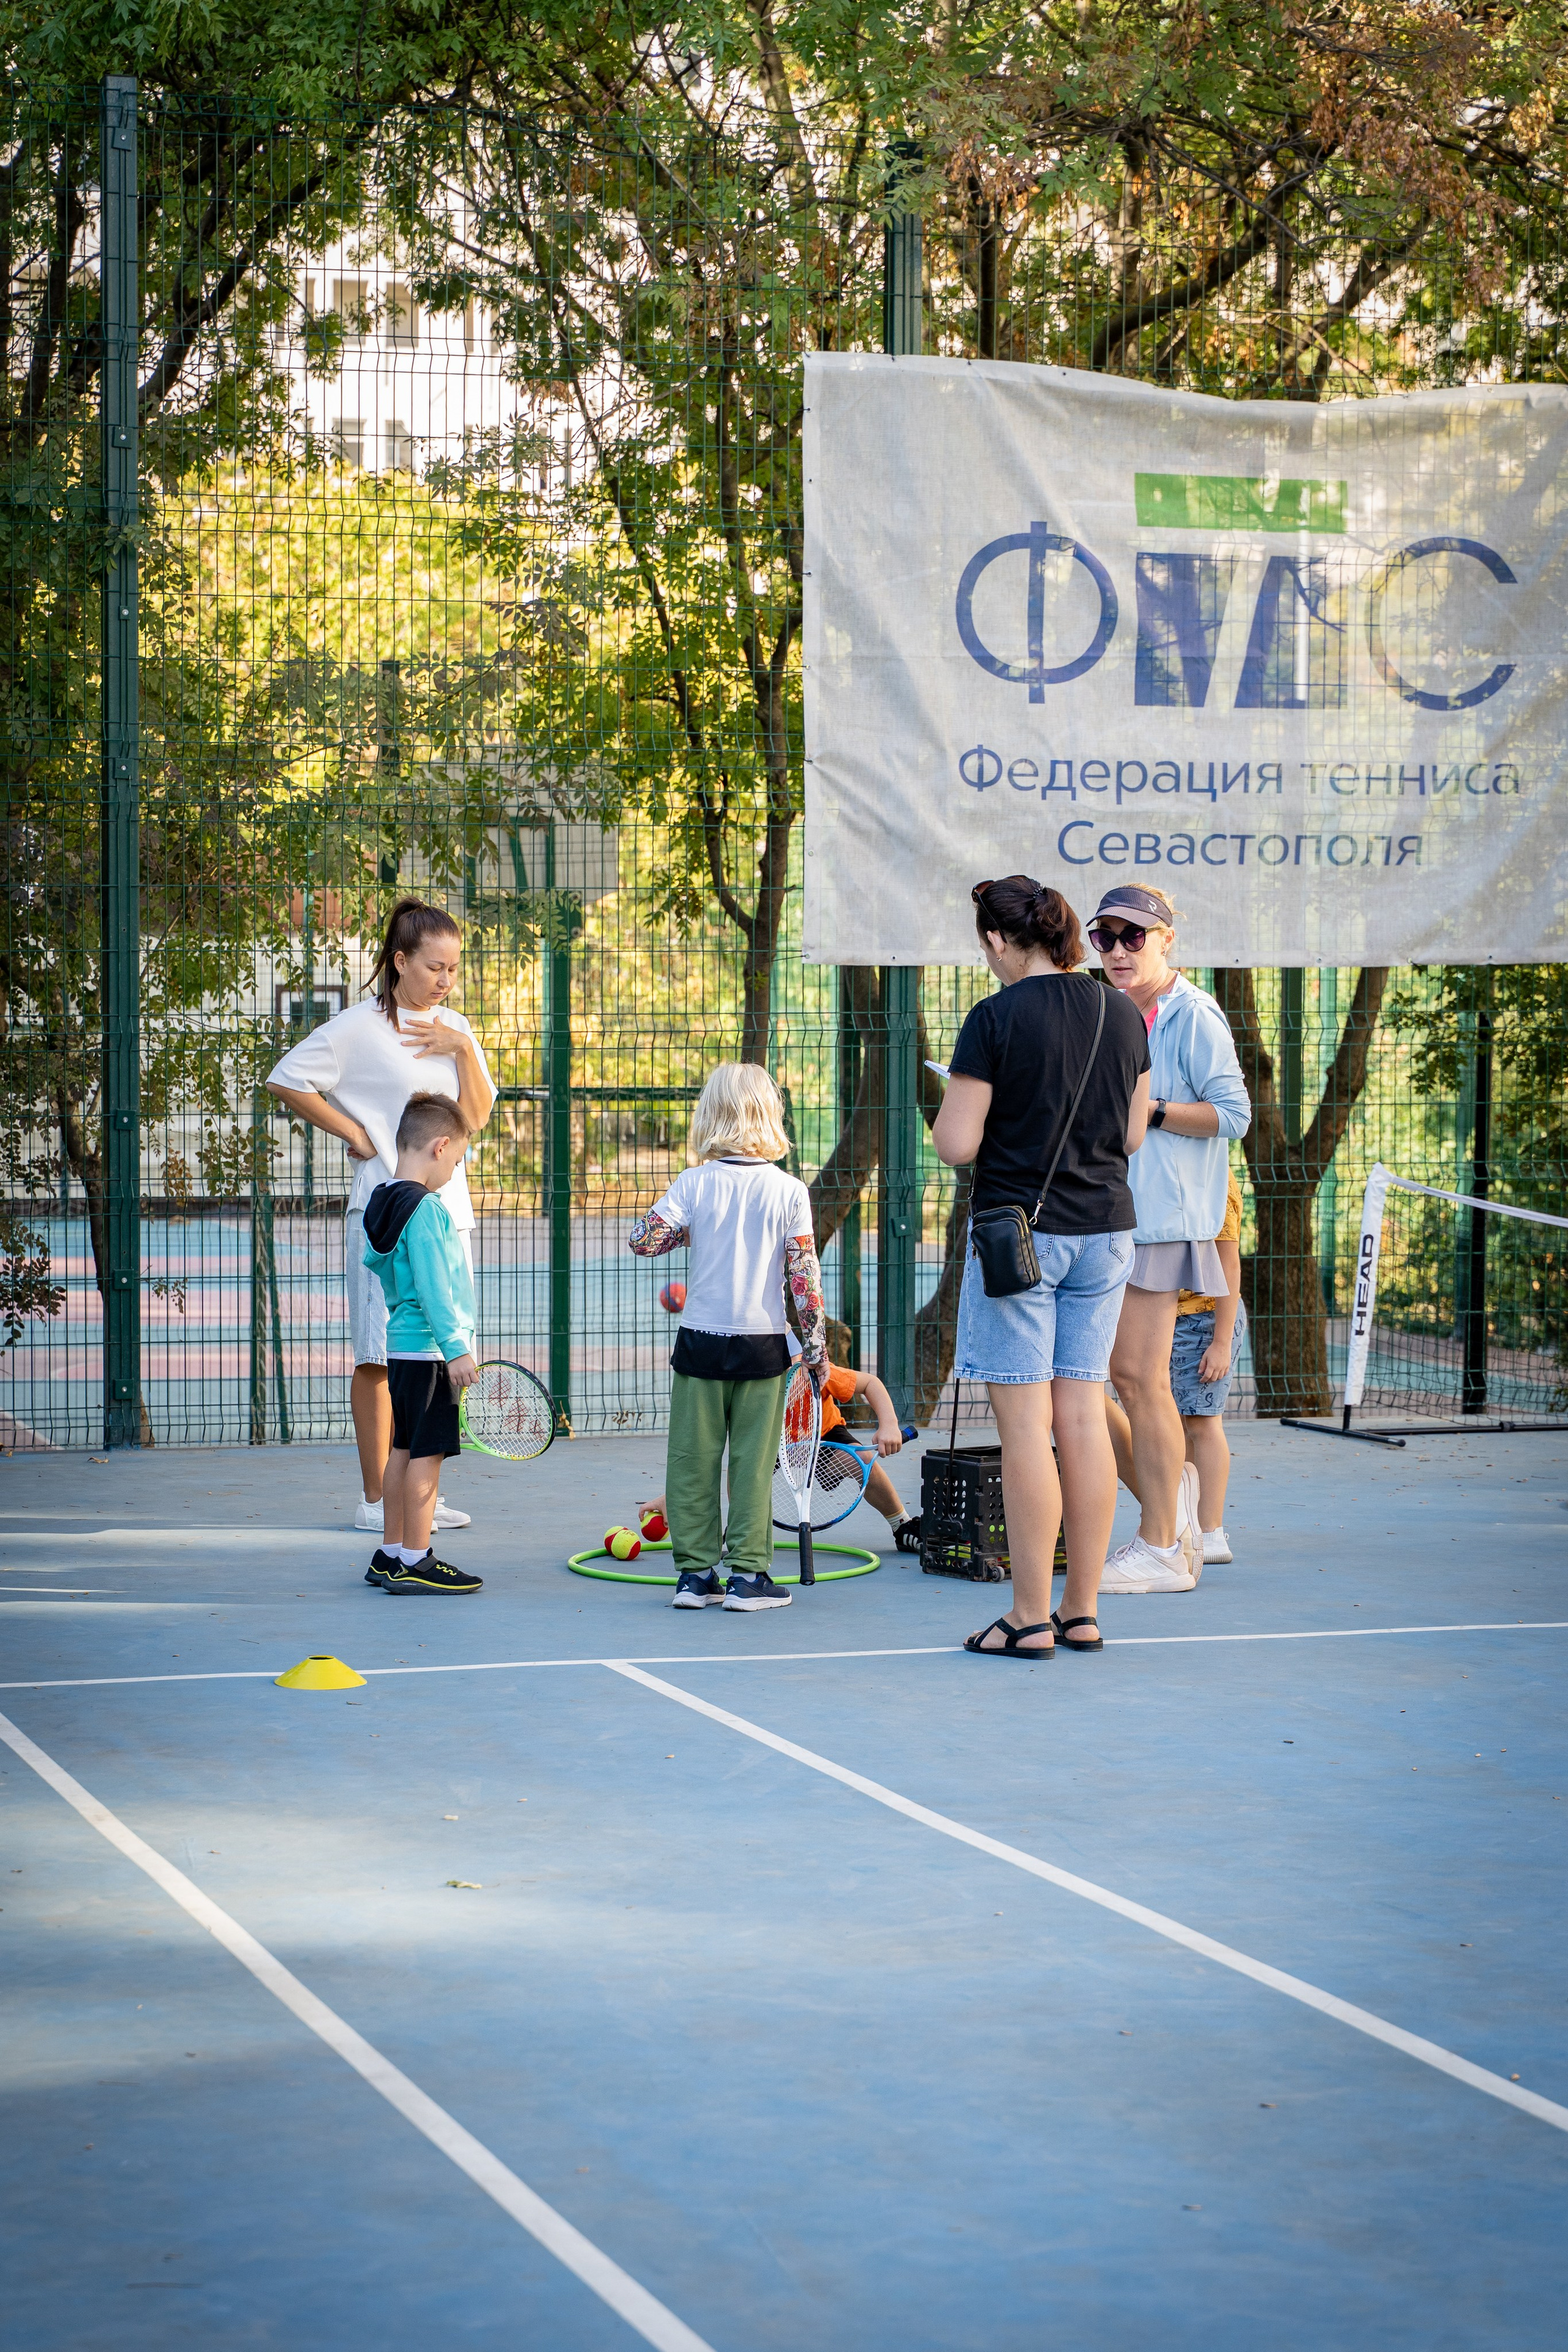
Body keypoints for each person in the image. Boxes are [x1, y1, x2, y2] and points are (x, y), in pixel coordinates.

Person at [931, 877, 1150, 1659]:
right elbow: (1129, 1136)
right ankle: (1081, 1611)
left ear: (996, 941)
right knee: (1082, 1418)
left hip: (1022, 1237)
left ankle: (1026, 1616)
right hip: (1106, 1233)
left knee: (1025, 1429)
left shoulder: (993, 1018)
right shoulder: (1121, 1012)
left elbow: (956, 1145)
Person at [266, 899, 496, 1533]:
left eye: (454, 968)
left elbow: (473, 1120)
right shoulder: (358, 1028)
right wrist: (357, 1132)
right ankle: (376, 1500)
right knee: (377, 1356)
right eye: (434, 966)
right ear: (400, 962)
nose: (445, 980)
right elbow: (287, 1079)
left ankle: (416, 1495)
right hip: (386, 1214)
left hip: (448, 1215)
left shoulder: (456, 1027)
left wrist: (462, 1049)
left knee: (432, 1350)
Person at [1090, 886, 1250, 1596]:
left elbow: (1234, 1114)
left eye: (1133, 937)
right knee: (1093, 1383)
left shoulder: (1195, 1015)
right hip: (1106, 1213)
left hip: (1159, 1224)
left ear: (1164, 941)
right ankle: (1170, 1513)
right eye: (1105, 937)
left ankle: (1162, 1542)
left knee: (1135, 1380)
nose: (1118, 951)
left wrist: (1149, 1110)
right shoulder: (1108, 1009)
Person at [628, 1063, 829, 1613]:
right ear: (772, 1116)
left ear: (710, 1116)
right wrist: (815, 1352)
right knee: (751, 1463)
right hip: (762, 1346)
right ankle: (748, 1577)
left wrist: (687, 1229)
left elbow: (643, 1241)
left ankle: (694, 1576)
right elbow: (803, 1281)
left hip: (699, 1343)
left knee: (691, 1460)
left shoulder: (694, 1183)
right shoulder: (789, 1191)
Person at [358, 1094, 483, 1594]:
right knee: (427, 1457)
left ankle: (389, 1554)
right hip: (432, 1353)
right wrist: (456, 1348)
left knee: (402, 1450)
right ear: (440, 1146)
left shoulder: (382, 1201)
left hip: (400, 1349)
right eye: (456, 1161)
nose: (454, 1172)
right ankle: (416, 1559)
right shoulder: (428, 1210)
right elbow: (434, 1287)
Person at [1106, 1168, 1246, 1568]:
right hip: (1164, 1313)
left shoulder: (1217, 1180)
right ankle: (1182, 1520)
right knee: (1173, 1418)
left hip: (1203, 1316)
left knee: (1203, 1422)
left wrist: (1220, 1342)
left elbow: (1229, 1265)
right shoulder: (1155, 1173)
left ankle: (1212, 1529)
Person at [639, 1344, 914, 1547]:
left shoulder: (814, 1371)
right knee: (742, 1474)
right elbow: (706, 1450)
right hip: (771, 1438)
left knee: (864, 1459)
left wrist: (889, 1424)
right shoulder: (749, 1385)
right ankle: (741, 1532)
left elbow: (870, 1384)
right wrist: (675, 1497)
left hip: (823, 1434)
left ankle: (902, 1525)